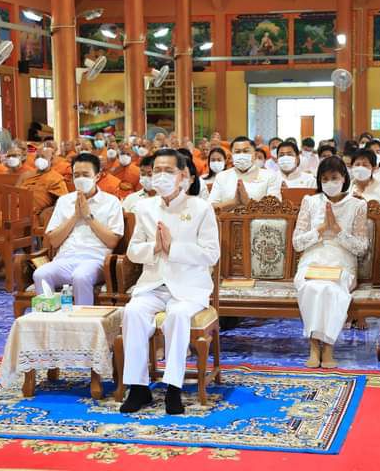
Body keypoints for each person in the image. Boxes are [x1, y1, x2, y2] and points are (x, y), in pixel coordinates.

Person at [120, 149, 220, 415]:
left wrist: (173, 248)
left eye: (168, 171)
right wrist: (155, 247)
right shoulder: (144, 207)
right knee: (132, 312)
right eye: (157, 171)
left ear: (183, 176)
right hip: (153, 284)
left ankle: (173, 388)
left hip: (189, 287)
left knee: (177, 315)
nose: (161, 176)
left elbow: (211, 254)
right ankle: (138, 387)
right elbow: (133, 251)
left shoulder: (200, 208)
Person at [292, 156, 369, 368]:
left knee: (330, 289)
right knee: (311, 287)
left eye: (334, 177)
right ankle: (314, 346)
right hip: (312, 260)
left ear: (344, 178)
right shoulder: (310, 201)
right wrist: (320, 229)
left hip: (341, 262)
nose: (329, 182)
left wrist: (337, 230)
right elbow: (297, 243)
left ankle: (328, 347)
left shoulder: (358, 205)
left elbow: (361, 247)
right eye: (324, 179)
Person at [33, 154, 124, 306]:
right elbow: (53, 241)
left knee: (80, 276)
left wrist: (88, 216)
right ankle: (49, 317)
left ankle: (82, 318)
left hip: (95, 260)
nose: (81, 179)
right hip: (65, 259)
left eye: (86, 175)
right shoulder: (64, 201)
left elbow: (112, 241)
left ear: (97, 176)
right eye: (77, 175)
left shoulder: (111, 202)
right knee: (40, 274)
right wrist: (75, 216)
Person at [209, 136, 282, 211]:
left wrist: (247, 202)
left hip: (258, 219)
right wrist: (234, 202)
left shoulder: (270, 175)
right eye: (237, 152)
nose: (241, 155)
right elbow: (210, 207)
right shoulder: (222, 176)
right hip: (228, 218)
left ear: (255, 155)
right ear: (232, 155)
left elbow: (275, 208)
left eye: (246, 151)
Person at [19, 145, 69, 219]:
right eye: (37, 157)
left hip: (36, 216)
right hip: (18, 210)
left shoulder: (56, 179)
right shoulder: (26, 175)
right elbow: (14, 193)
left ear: (51, 159)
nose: (39, 159)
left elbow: (64, 201)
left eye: (43, 157)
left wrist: (48, 211)